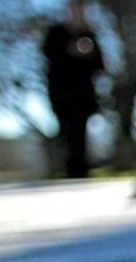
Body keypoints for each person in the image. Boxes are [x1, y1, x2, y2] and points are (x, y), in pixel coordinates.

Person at [43, 0, 105, 179]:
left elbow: (100, 65)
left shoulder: (90, 35)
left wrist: (88, 53)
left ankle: (81, 171)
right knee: (66, 131)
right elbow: (49, 55)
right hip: (62, 94)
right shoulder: (56, 33)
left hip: (83, 95)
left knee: (81, 132)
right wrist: (70, 50)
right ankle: (69, 169)